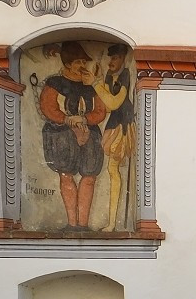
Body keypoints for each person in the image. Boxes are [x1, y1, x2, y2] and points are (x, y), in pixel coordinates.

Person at [39, 41, 105, 231]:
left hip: (90, 134)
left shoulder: (90, 84)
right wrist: (67, 120)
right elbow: (48, 107)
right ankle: (72, 224)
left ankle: (83, 225)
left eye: (83, 61)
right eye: (77, 62)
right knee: (66, 174)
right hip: (60, 134)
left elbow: (101, 111)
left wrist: (84, 119)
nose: (82, 66)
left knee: (90, 176)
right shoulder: (55, 82)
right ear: (67, 63)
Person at [91, 43, 136, 232]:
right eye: (110, 58)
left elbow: (115, 103)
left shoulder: (125, 75)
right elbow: (108, 106)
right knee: (112, 171)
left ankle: (112, 223)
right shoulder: (109, 76)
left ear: (123, 59)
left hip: (123, 125)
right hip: (113, 124)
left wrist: (96, 85)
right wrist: (101, 82)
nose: (111, 62)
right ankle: (112, 222)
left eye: (115, 58)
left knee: (113, 170)